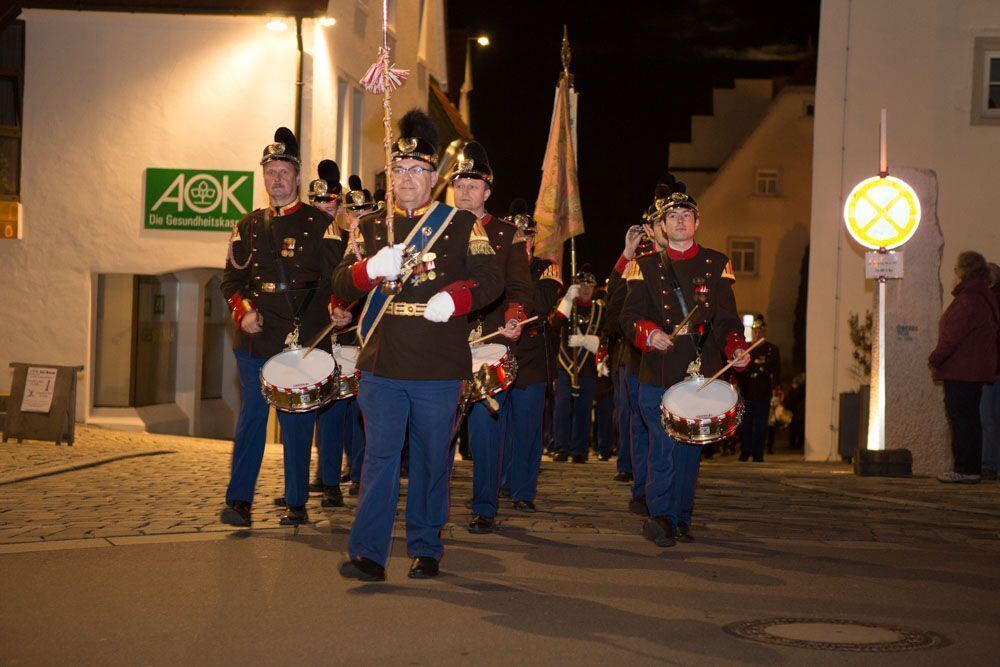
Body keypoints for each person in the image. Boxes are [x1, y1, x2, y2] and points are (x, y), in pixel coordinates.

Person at [332, 110, 503, 581]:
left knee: (432, 458)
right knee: (379, 459)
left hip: (438, 363)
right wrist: (370, 269)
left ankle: (426, 546)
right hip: (383, 360)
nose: (407, 179)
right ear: (391, 176)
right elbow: (341, 283)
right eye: (400, 171)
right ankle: (368, 552)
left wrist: (455, 297)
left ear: (433, 177)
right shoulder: (368, 228)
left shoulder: (461, 224)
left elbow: (492, 280)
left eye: (417, 171)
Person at [219, 127, 344, 527]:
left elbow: (338, 279)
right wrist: (243, 312)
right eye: (270, 171)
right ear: (264, 176)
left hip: (302, 337)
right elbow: (230, 281)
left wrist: (341, 309)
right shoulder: (248, 226)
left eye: (284, 171)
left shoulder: (321, 224)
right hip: (256, 339)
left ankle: (296, 502)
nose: (276, 179)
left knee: (296, 422)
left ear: (296, 175)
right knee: (252, 420)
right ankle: (238, 501)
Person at [621, 175, 748, 548]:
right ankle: (661, 517)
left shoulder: (716, 263)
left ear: (697, 221)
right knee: (662, 447)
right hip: (658, 370)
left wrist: (736, 347)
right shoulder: (643, 266)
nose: (679, 220)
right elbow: (628, 318)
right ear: (660, 225)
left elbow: (727, 318)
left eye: (686, 214)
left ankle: (680, 517)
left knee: (689, 454)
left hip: (702, 369)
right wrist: (648, 332)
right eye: (672, 215)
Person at [451, 142, 533, 535]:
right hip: (442, 342)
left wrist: (515, 319)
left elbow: (520, 289)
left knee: (485, 431)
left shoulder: (507, 234)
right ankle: (431, 501)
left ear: (487, 191)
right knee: (437, 429)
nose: (465, 190)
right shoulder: (437, 230)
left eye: (473, 184)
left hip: (489, 341)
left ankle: (484, 506)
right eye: (460, 183)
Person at [504, 199, 562, 512]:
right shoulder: (495, 266)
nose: (521, 241)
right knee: (499, 426)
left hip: (531, 355)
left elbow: (540, 304)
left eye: (525, 237)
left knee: (527, 429)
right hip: (501, 351)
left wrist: (519, 266)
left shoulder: (546, 267)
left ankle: (523, 490)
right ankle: (500, 483)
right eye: (515, 237)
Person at [929, 251, 999, 484]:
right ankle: (971, 468)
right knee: (969, 418)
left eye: (956, 269)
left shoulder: (968, 299)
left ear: (963, 272)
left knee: (961, 419)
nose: (954, 274)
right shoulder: (982, 296)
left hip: (962, 370)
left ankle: (965, 469)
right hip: (972, 369)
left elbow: (953, 336)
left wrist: (936, 357)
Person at [604, 223, 654, 491]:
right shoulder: (630, 272)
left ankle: (644, 471)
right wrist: (626, 254)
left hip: (655, 355)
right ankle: (628, 467)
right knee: (628, 415)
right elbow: (613, 303)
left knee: (645, 417)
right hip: (628, 354)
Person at [550, 270, 605, 463]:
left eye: (590, 286)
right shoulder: (567, 305)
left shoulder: (599, 310)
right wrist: (566, 299)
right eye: (582, 285)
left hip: (588, 366)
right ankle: (560, 447)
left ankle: (579, 449)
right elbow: (554, 324)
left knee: (583, 408)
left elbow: (607, 336)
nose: (586, 289)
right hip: (565, 364)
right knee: (562, 406)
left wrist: (589, 340)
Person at [737, 314, 781, 462]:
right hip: (748, 390)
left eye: (760, 330)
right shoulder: (747, 348)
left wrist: (777, 390)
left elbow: (777, 371)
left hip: (763, 391)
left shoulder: (771, 349)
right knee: (745, 424)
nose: (757, 333)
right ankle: (745, 451)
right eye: (755, 330)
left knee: (761, 425)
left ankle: (758, 453)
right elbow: (740, 371)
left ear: (764, 331)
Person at [982, 262, 1000, 481]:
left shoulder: (989, 303)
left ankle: (988, 464)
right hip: (995, 367)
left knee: (986, 417)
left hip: (991, 368)